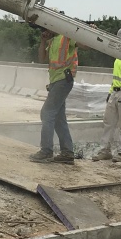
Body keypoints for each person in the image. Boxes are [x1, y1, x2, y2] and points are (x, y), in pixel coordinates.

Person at [29, 28, 80, 164]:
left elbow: (85, 45)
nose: (45, 30)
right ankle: (67, 153)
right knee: (58, 117)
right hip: (56, 82)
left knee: (47, 113)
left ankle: (46, 151)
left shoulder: (67, 36)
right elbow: (41, 59)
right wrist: (43, 41)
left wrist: (89, 32)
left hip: (63, 80)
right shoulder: (52, 41)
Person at [92, 27, 121, 163]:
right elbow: (116, 78)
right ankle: (105, 150)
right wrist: (110, 93)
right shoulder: (119, 57)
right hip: (115, 93)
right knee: (109, 123)